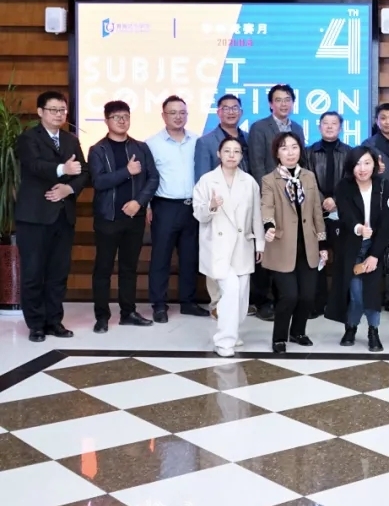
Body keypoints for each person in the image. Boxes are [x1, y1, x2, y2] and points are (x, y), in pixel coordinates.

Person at [15, 91, 89, 342]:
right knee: (33, 273)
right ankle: (36, 324)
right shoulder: (28, 138)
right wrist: (62, 169)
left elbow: (84, 172)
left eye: (62, 110)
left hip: (63, 216)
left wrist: (69, 189)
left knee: (58, 273)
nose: (59, 114)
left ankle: (54, 321)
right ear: (40, 112)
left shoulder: (70, 139)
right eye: (53, 110)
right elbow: (34, 165)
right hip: (34, 217)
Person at [87, 100, 158, 333]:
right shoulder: (98, 150)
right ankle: (102, 317)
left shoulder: (141, 147)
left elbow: (153, 178)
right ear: (106, 120)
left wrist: (139, 202)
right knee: (103, 269)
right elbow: (98, 182)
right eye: (116, 117)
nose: (122, 120)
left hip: (134, 218)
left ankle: (128, 312)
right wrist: (126, 172)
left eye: (126, 116)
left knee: (129, 268)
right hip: (107, 218)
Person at [192, 137, 264, 357]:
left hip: (243, 245)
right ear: (219, 154)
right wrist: (212, 206)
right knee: (231, 291)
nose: (232, 155)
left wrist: (260, 243)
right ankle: (224, 341)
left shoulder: (249, 181)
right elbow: (198, 214)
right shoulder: (207, 180)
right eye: (227, 151)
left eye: (236, 151)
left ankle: (232, 330)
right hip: (218, 246)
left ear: (241, 155)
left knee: (241, 297)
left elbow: (256, 215)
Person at [259, 131, 328, 354]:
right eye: (284, 148)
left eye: (294, 147)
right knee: (289, 295)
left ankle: (298, 332)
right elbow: (266, 206)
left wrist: (322, 244)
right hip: (281, 246)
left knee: (307, 296)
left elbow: (317, 212)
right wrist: (268, 225)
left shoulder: (308, 177)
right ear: (277, 153)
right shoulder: (269, 180)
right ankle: (279, 337)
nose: (290, 152)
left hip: (308, 246)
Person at [146, 95, 207, 323]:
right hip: (164, 206)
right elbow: (146, 178)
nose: (178, 117)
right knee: (161, 258)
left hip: (192, 207)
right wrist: (148, 205)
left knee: (190, 258)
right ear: (163, 116)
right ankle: (159, 305)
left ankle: (188, 302)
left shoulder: (197, 141)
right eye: (172, 113)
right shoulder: (152, 144)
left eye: (182, 112)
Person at [248, 84, 306, 321]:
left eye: (288, 99)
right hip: (269, 198)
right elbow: (257, 164)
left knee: (286, 248)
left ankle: (283, 299)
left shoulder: (297, 128)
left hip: (292, 200)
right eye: (279, 100)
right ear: (271, 104)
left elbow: (301, 164)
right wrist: (267, 196)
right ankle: (262, 301)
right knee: (266, 247)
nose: (284, 104)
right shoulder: (259, 127)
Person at [331, 147, 389, 351]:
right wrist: (358, 228)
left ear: (375, 164)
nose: (362, 168)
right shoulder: (344, 186)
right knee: (357, 293)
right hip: (352, 246)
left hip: (375, 246)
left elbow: (387, 224)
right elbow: (345, 214)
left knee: (372, 292)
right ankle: (351, 326)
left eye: (367, 163)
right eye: (358, 164)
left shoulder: (384, 186)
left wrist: (375, 255)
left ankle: (373, 331)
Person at [305, 111, 352, 319]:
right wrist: (323, 199)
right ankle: (317, 303)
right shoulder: (308, 152)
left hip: (342, 214)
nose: (330, 126)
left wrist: (336, 200)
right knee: (316, 259)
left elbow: (351, 180)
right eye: (326, 123)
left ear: (340, 127)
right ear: (319, 126)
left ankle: (340, 304)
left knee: (342, 258)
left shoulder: (350, 152)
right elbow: (307, 180)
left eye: (334, 123)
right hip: (315, 213)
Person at [361, 102, 389, 314]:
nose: (387, 122)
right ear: (376, 121)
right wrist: (374, 171)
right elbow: (357, 172)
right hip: (375, 203)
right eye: (383, 118)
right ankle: (371, 296)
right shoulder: (368, 145)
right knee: (372, 246)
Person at [194, 94, 249, 180]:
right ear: (218, 113)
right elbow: (202, 178)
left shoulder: (249, 137)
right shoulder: (205, 142)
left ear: (241, 112)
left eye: (235, 108)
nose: (231, 112)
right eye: (226, 109)